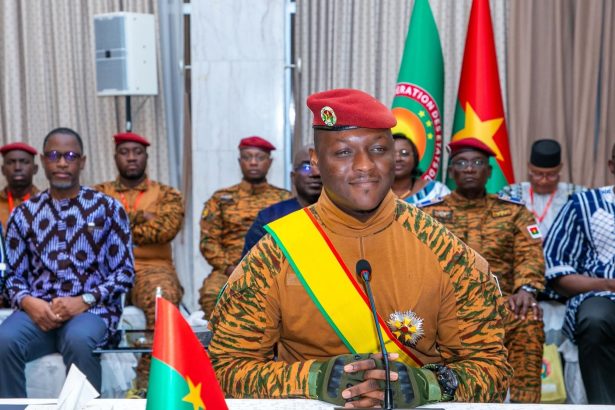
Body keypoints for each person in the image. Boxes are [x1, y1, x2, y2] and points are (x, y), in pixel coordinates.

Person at [208, 89, 511, 408]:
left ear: (395, 156)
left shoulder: (444, 251)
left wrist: (429, 384)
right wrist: (313, 379)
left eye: (378, 149)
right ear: (315, 160)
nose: (365, 166)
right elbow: (223, 370)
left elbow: (492, 372)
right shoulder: (274, 255)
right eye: (343, 152)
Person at [0, 127, 135, 397]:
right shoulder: (24, 214)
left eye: (70, 156)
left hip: (91, 312)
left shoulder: (107, 208)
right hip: (39, 313)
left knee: (79, 339)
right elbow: (11, 275)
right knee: (4, 341)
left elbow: (124, 273)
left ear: (82, 162)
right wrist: (28, 302)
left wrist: (84, 300)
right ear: (43, 161)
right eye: (54, 155)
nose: (62, 162)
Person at [420, 138, 545, 403]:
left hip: (503, 304)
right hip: (447, 307)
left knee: (529, 317)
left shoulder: (513, 212)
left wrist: (526, 289)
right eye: (461, 163)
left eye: (477, 163)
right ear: (451, 172)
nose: (469, 168)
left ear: (488, 172)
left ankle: (525, 404)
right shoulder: (428, 215)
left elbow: (530, 254)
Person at [94, 132, 184, 392]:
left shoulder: (167, 193)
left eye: (137, 152)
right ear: (115, 157)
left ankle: (149, 384)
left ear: (146, 156)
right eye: (124, 152)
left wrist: (117, 223)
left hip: (152, 268)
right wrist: (142, 217)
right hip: (106, 269)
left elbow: (165, 230)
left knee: (163, 300)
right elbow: (92, 230)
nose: (131, 157)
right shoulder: (99, 192)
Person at [543, 143, 615, 404]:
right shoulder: (584, 204)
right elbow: (554, 265)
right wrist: (608, 284)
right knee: (594, 319)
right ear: (612, 166)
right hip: (602, 296)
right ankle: (604, 405)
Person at [199, 136, 291, 316]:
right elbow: (208, 242)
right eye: (247, 157)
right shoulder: (220, 198)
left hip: (272, 268)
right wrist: (230, 268)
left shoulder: (284, 199)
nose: (253, 162)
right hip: (229, 268)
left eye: (260, 157)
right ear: (239, 161)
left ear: (270, 162)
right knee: (212, 294)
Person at [241, 145, 322, 257]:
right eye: (306, 167)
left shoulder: (344, 215)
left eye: (322, 166)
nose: (315, 173)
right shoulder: (269, 218)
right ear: (293, 177)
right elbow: (250, 265)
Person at [501, 139, 585, 236]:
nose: (544, 181)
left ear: (560, 168)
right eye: (538, 174)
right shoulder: (510, 193)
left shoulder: (578, 195)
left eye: (551, 174)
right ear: (529, 167)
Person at [391, 133, 450, 205]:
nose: (397, 158)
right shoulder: (377, 193)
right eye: (391, 154)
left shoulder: (437, 191)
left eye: (404, 153)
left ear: (415, 158)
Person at [0, 142, 40, 231]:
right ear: (3, 170)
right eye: (10, 162)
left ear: (35, 169)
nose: (17, 167)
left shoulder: (47, 202)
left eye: (24, 162)